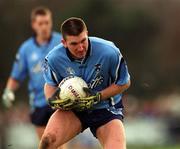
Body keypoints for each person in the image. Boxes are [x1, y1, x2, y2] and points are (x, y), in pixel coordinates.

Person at [39, 17, 131, 149]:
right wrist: (52, 100)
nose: (81, 47)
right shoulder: (54, 58)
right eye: (74, 44)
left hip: (106, 109)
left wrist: (97, 96)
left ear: (87, 33)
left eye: (83, 40)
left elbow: (124, 82)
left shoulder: (109, 51)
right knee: (47, 142)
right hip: (73, 110)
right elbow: (50, 84)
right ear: (64, 42)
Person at [1, 6, 62, 139]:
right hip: (38, 102)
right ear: (34, 25)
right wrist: (8, 91)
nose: (44, 27)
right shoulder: (26, 49)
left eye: (47, 22)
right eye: (40, 23)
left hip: (60, 99)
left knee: (58, 140)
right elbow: (16, 75)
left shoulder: (61, 42)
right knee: (45, 142)